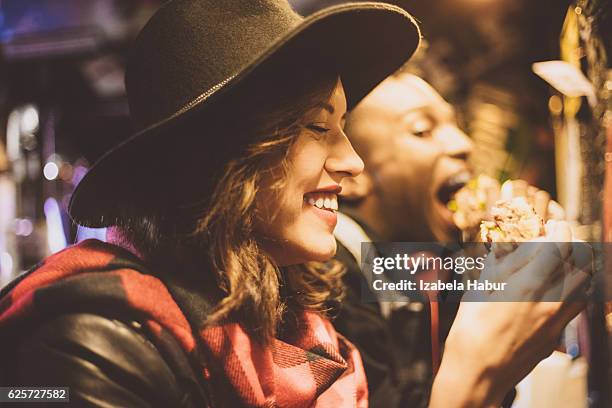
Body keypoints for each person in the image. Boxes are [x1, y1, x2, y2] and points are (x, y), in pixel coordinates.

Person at [0, 1, 586, 408]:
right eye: (317, 126)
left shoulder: (304, 328)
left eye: (345, 127)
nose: (352, 163)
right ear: (220, 159)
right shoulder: (80, 351)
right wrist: (472, 372)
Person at [333, 70, 576, 407]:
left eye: (455, 123)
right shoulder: (332, 270)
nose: (464, 143)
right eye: (422, 130)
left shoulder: (426, 262)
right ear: (352, 174)